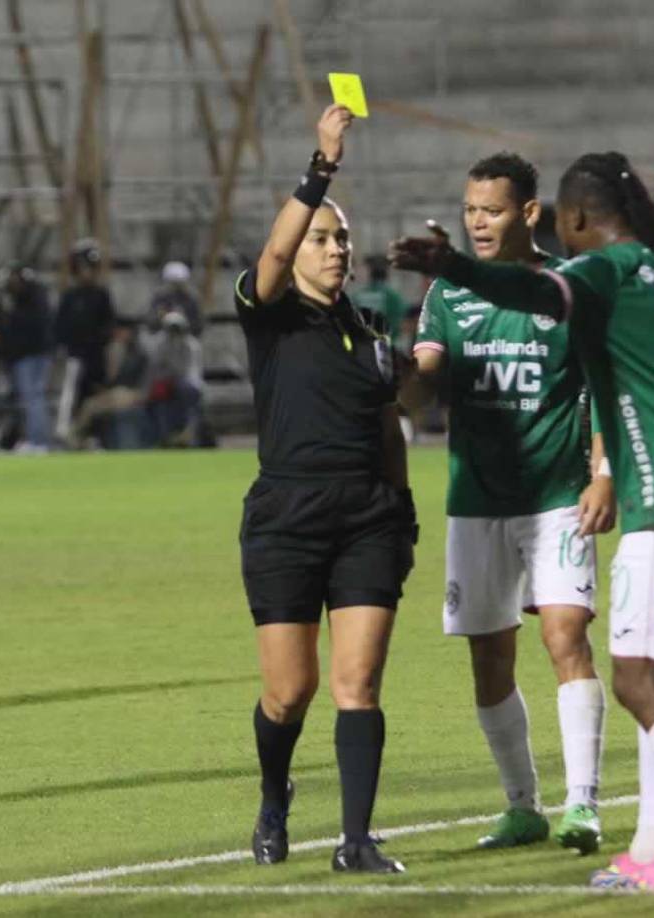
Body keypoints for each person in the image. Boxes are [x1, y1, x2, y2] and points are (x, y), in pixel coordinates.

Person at [394, 151, 654, 899]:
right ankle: (650, 849)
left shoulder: (607, 270)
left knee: (638, 677)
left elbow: (532, 289)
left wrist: (454, 265)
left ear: (568, 219)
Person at [411, 152, 611, 854]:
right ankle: (522, 805)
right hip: (476, 500)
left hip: (555, 496)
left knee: (566, 638)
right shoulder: (447, 294)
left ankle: (583, 805)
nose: (478, 224)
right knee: (489, 660)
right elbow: (422, 382)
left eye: (491, 211)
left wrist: (603, 472)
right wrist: (382, 377)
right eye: (470, 212)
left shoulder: (566, 288)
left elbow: (608, 389)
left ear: (529, 213)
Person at [236, 104, 415, 874]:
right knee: (290, 691)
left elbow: (387, 428)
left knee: (358, 682)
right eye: (322, 237)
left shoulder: (371, 331)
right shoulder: (269, 315)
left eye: (341, 237)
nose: (335, 247)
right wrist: (322, 166)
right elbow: (274, 252)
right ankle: (275, 798)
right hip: (287, 516)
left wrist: (402, 513)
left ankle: (355, 841)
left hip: (368, 516)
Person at [55, 239, 115, 437]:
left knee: (97, 397)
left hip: (96, 356)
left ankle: (96, 437)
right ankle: (68, 433)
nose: (85, 272)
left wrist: (102, 343)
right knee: (72, 394)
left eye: (89, 267)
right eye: (82, 268)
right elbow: (61, 326)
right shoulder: (70, 297)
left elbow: (109, 325)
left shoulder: (101, 295)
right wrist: (64, 347)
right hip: (75, 356)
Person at [0, 263, 54, 452]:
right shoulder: (37, 299)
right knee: (34, 397)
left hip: (30, 356)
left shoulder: (29, 302)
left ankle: (37, 440)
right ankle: (36, 438)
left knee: (33, 397)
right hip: (36, 354)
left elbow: (24, 329)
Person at [68, 318, 149, 450]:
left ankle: (78, 438)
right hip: (116, 392)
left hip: (134, 393)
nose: (118, 333)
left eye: (122, 331)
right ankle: (76, 439)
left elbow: (135, 379)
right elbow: (110, 378)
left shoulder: (139, 354)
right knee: (90, 405)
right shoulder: (115, 348)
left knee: (102, 402)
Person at [145, 311, 203, 446]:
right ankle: (166, 438)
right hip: (165, 386)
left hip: (185, 386)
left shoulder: (191, 345)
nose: (174, 332)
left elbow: (190, 372)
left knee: (190, 394)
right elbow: (155, 369)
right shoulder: (159, 344)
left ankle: (189, 436)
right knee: (161, 405)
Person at [349, 255, 410, 347]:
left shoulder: (358, 296)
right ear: (386, 273)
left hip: (362, 347)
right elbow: (399, 323)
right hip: (386, 347)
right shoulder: (393, 297)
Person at [146, 261, 203, 336]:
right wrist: (161, 317)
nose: (176, 288)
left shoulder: (191, 300)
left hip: (185, 335)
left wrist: (185, 321)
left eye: (179, 284)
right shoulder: (159, 299)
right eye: (173, 283)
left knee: (193, 347)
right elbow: (151, 322)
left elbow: (198, 325)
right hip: (163, 335)